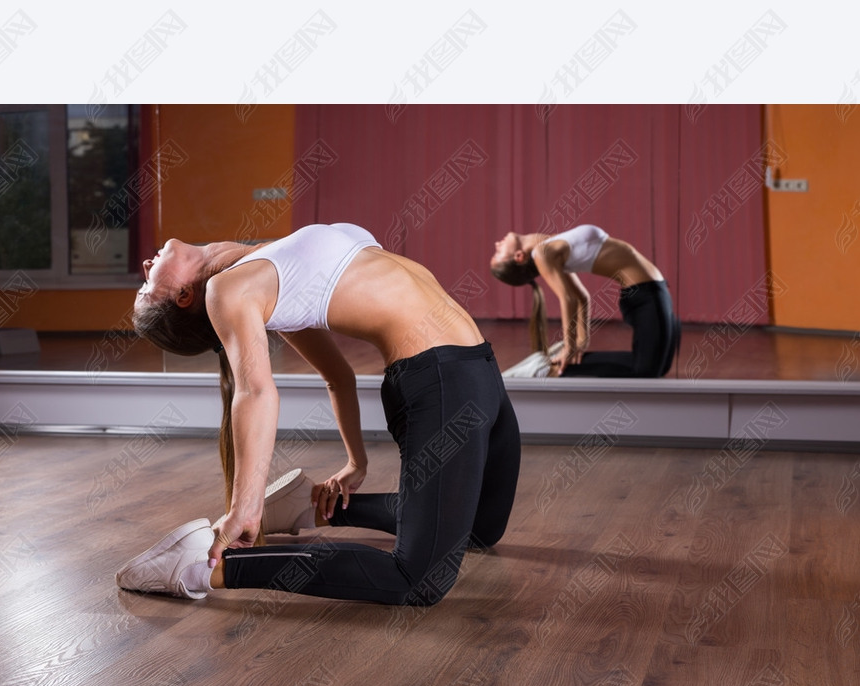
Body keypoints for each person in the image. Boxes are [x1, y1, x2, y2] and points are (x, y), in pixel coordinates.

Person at [117, 224, 520, 607]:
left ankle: (304, 507)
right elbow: (255, 391)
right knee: (418, 580)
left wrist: (355, 462)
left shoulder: (269, 268)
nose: (146, 267)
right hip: (441, 380)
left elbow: (338, 376)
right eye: (146, 287)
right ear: (184, 297)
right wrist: (246, 505)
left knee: (483, 526)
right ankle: (201, 570)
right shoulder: (227, 290)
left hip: (480, 366)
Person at [490, 224, 679, 378]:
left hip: (652, 291)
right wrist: (570, 347)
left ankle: (554, 364)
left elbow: (582, 297)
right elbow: (568, 297)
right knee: (647, 370)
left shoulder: (552, 245)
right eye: (497, 253)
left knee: (657, 368)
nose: (497, 244)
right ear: (519, 257)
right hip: (645, 295)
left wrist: (582, 341)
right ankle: (547, 369)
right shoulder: (542, 253)